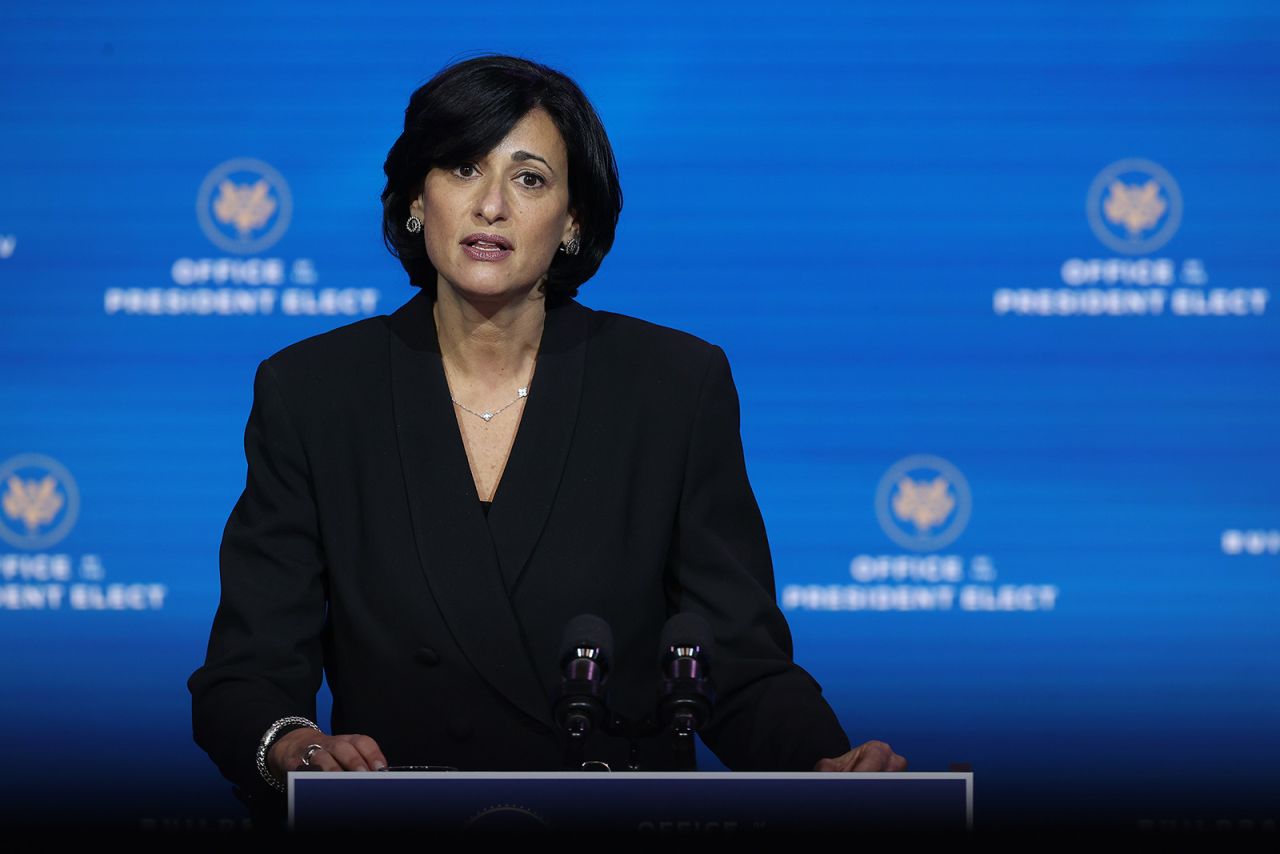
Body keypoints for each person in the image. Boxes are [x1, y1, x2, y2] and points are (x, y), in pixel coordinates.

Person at [188, 53, 905, 827]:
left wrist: (825, 764)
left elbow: (733, 660)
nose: (491, 205)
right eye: (463, 169)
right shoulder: (316, 392)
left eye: (529, 179)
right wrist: (290, 743)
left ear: (573, 221)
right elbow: (247, 671)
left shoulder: (671, 386)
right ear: (416, 203)